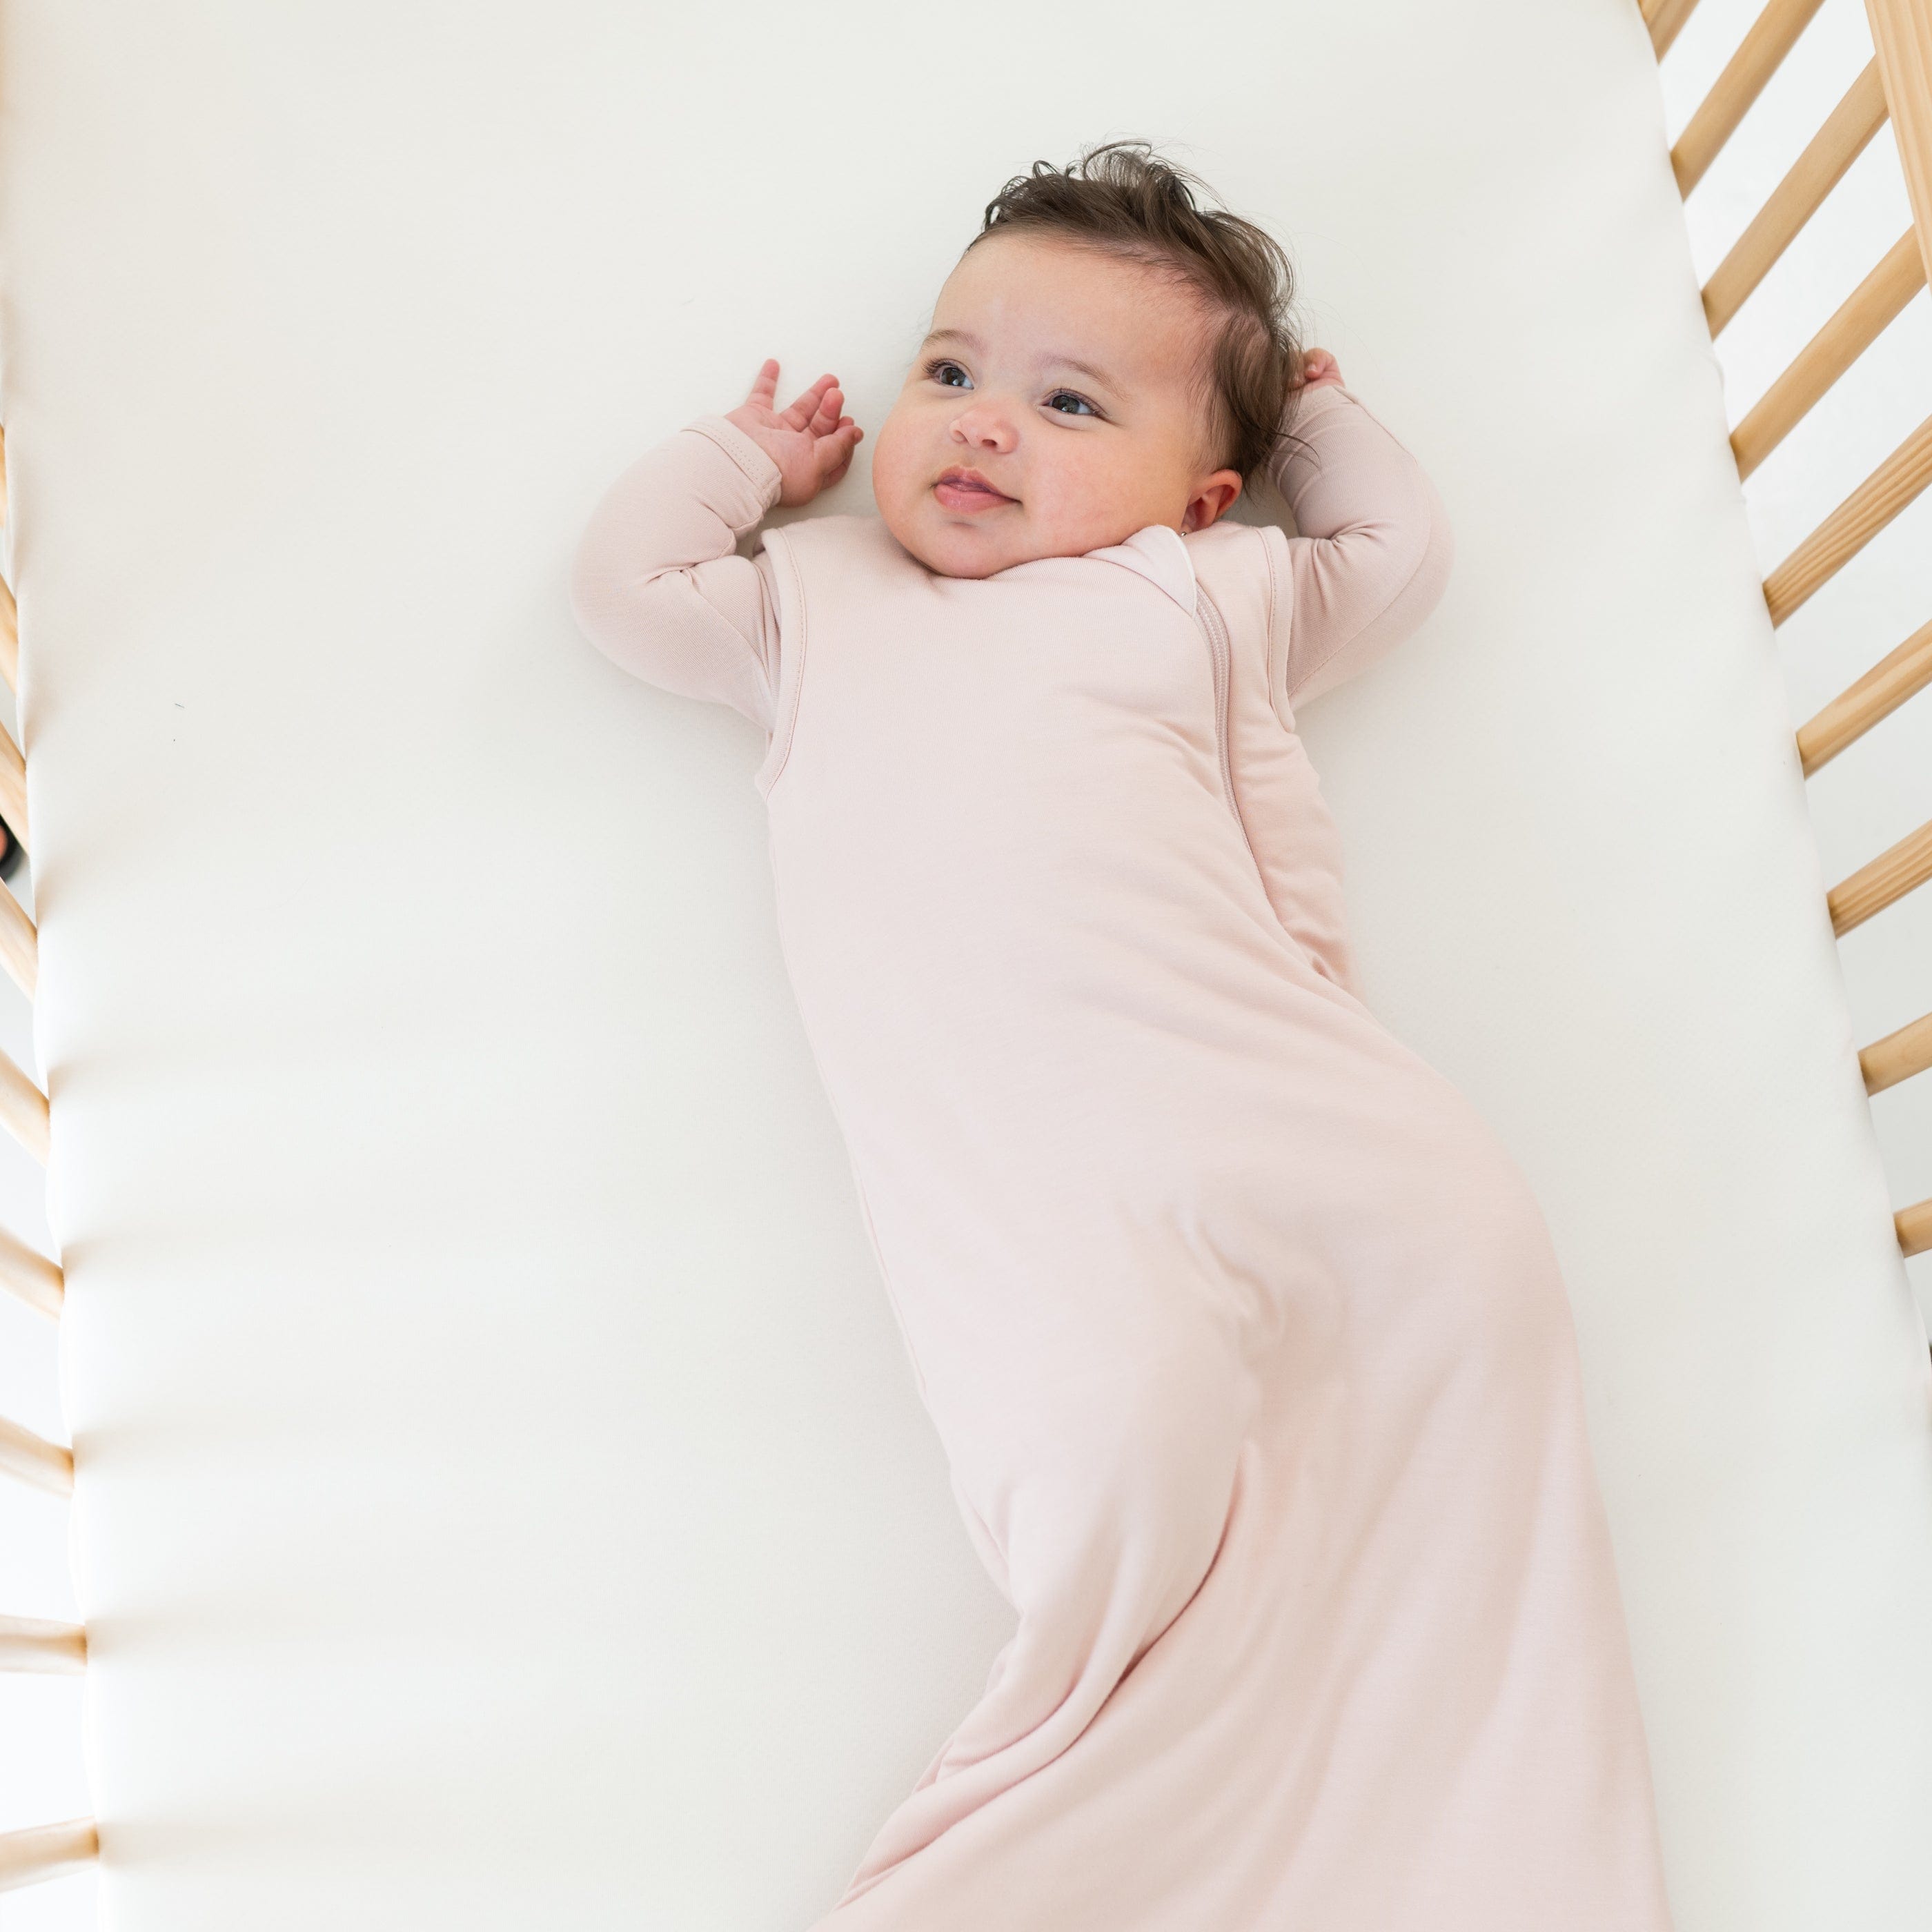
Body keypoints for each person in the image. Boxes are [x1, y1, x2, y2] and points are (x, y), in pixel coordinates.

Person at [569, 139, 1677, 1931]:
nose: (981, 425)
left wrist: (1315, 414)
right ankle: (1128, 1836)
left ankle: (1479, 1826)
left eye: (1070, 401)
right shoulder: (816, 605)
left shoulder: (1208, 594)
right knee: (1109, 1451)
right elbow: (622, 594)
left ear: (1198, 495)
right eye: (950, 371)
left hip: (1315, 1127)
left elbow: (1395, 556)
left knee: (1463, 1346)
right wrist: (746, 467)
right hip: (1046, 1201)